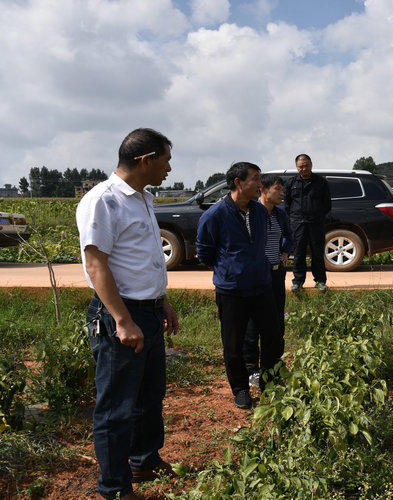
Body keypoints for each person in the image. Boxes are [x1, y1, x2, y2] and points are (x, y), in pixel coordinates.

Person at [76, 128, 180, 500]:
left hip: (148, 312)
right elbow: (96, 265)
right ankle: (115, 488)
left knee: (150, 396)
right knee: (117, 407)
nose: (169, 168)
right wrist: (122, 320)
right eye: (165, 160)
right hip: (119, 315)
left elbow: (143, 258)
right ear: (145, 160)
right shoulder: (104, 200)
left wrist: (162, 300)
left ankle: (144, 460)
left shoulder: (143, 199)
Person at [196, 162, 283, 409]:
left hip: (262, 286)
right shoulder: (214, 215)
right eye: (255, 179)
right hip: (231, 291)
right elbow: (204, 252)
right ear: (238, 183)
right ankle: (241, 389)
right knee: (233, 344)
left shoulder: (258, 211)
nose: (260, 185)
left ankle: (269, 384)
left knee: (272, 337)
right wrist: (229, 270)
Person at [243, 174, 292, 385]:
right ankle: (252, 369)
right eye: (278, 189)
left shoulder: (280, 215)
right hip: (256, 276)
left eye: (282, 190)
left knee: (276, 322)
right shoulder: (252, 214)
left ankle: (273, 364)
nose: (282, 193)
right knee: (253, 325)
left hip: (276, 274)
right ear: (263, 190)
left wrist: (285, 252)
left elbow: (289, 235)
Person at [284, 153, 331, 292]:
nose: (304, 169)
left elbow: (327, 204)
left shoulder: (321, 182)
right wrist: (292, 219)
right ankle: (297, 282)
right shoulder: (291, 183)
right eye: (301, 166)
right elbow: (287, 204)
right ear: (296, 167)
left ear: (311, 165)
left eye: (306, 166)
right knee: (298, 253)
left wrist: (319, 217)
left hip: (315, 223)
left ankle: (320, 281)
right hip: (297, 223)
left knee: (317, 253)